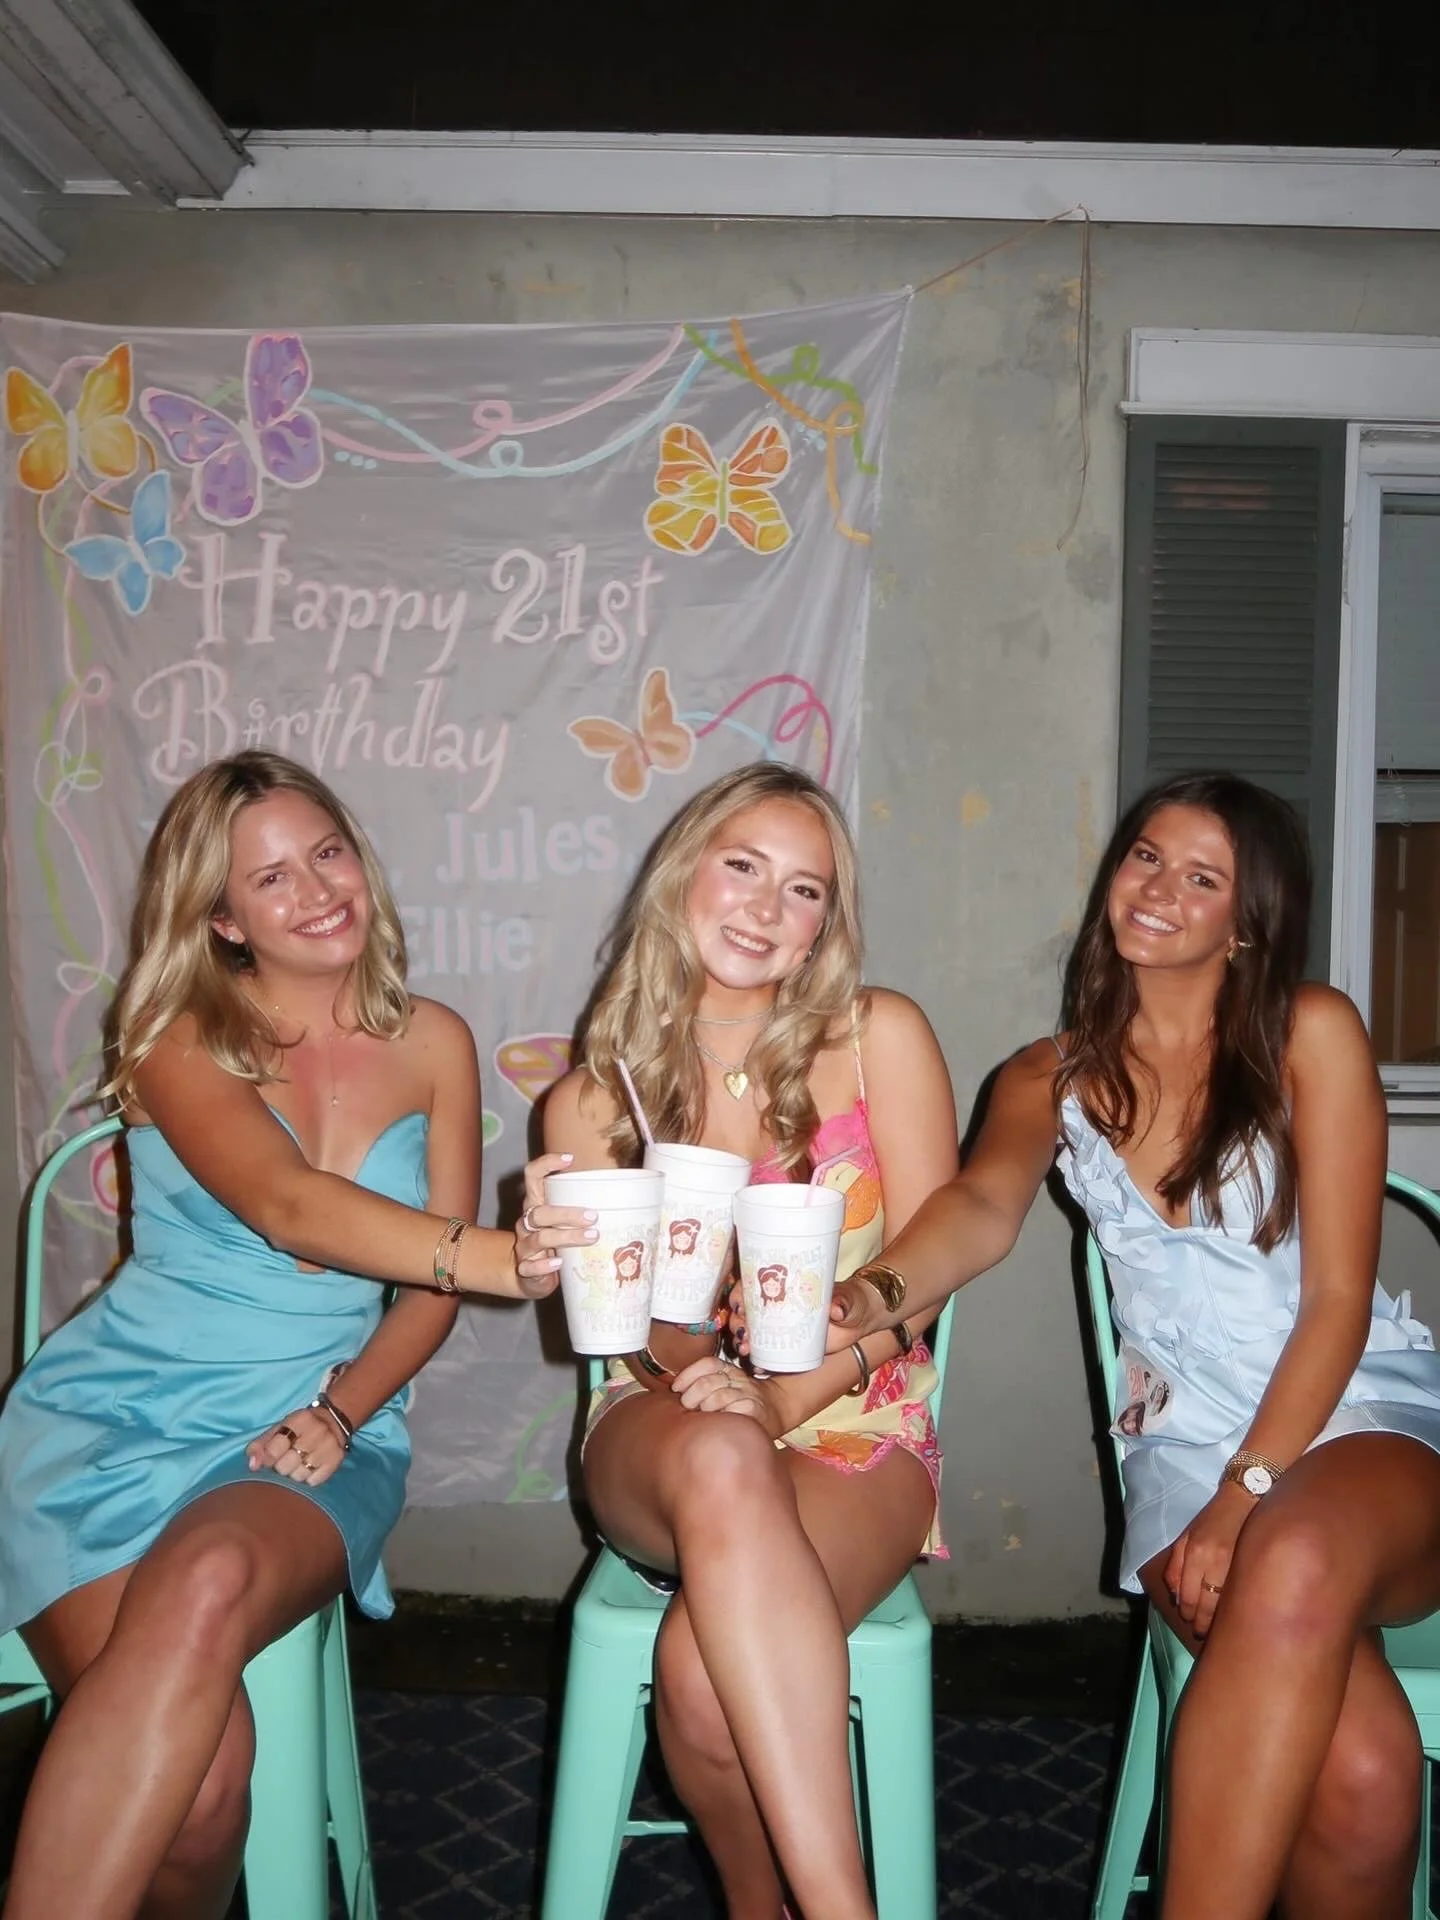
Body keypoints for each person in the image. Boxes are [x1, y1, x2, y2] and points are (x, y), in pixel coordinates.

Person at [823, 772, 1440, 1920]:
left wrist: (1244, 1495)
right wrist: (874, 1292)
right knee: (1360, 1780)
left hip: (1354, 1419)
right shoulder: (1045, 1075)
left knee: (1293, 1556)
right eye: (1145, 856)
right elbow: (980, 1208)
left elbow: (1341, 1299)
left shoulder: (1313, 1031)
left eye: (1201, 877)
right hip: (1181, 1447)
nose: (1157, 888)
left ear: (1246, 919)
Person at [0, 750, 586, 1920]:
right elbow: (289, 1207)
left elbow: (419, 1298)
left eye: (327, 851)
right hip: (111, 1420)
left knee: (213, 1575)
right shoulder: (173, 1031)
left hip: (313, 1424)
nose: (320, 889)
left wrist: (344, 1409)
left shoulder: (434, 1041)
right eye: (272, 879)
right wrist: (495, 1255)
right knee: (207, 1791)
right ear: (220, 919)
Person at [527, 762, 959, 1920]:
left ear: (830, 920)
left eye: (806, 889)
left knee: (700, 1682)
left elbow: (927, 1275)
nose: (770, 909)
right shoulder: (588, 1103)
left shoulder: (880, 1042)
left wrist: (789, 1392)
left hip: (859, 1418)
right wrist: (694, 1365)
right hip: (662, 1424)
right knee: (718, 1454)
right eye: (743, 867)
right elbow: (628, 1340)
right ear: (683, 876)